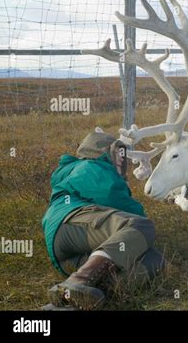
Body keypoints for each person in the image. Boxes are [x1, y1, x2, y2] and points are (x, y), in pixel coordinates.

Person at [41, 129, 164, 310]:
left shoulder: (79, 170)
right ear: (102, 151)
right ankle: (78, 281)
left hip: (71, 253)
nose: (123, 158)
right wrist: (140, 227)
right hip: (71, 222)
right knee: (140, 225)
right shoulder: (92, 166)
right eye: (118, 152)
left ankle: (73, 302)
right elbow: (116, 200)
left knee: (153, 258)